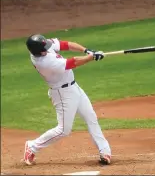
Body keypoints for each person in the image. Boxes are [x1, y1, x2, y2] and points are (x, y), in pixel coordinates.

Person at [22, 34, 112, 166]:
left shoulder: (42, 47)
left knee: (90, 117)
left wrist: (87, 50)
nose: (48, 47)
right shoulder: (44, 62)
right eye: (45, 48)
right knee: (63, 130)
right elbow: (72, 62)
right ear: (38, 51)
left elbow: (66, 44)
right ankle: (32, 146)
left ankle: (104, 151)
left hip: (74, 87)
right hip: (62, 93)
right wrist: (92, 57)